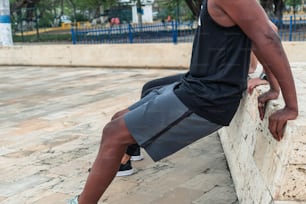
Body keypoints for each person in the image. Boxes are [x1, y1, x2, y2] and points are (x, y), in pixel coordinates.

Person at [69, 0, 298, 203]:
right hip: (195, 86)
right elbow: (259, 33)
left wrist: (290, 105)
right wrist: (273, 86)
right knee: (118, 119)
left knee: (113, 133)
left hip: (207, 98)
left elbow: (268, 35)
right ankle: (114, 166)